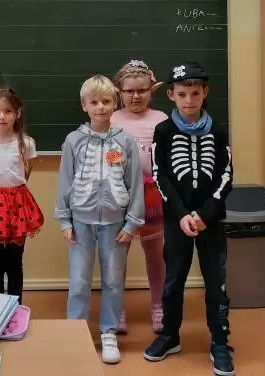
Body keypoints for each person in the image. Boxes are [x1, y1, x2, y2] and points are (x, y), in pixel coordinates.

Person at [143, 62, 235, 376]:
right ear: (171, 95)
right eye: (182, 94)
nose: (189, 100)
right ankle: (170, 335)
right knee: (173, 279)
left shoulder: (218, 131)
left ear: (205, 92)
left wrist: (206, 214)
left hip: (211, 220)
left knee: (216, 281)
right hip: (177, 220)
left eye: (195, 93)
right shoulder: (164, 131)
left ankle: (220, 340)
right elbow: (160, 175)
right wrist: (181, 214)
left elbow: (226, 176)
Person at [55, 75, 144, 365]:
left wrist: (132, 222)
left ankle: (109, 332)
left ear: (114, 103)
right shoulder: (74, 141)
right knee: (79, 280)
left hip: (116, 225)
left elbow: (135, 184)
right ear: (84, 105)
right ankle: (75, 332)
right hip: (81, 223)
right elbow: (64, 181)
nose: (101, 107)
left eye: (106, 101)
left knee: (114, 281)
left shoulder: (125, 141)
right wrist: (65, 221)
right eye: (94, 102)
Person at [111, 59, 168, 334]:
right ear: (119, 92)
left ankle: (159, 306)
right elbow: (108, 156)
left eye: (142, 90)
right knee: (117, 256)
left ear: (151, 90)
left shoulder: (161, 119)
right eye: (129, 91)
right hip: (120, 196)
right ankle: (116, 309)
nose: (136, 96)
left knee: (156, 254)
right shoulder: (112, 119)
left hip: (152, 197)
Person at [0, 89, 44, 303]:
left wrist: (12, 190)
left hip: (17, 203)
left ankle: (15, 306)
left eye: (8, 111)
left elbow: (27, 172)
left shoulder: (26, 143)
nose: (2, 116)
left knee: (14, 260)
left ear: (17, 113)